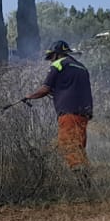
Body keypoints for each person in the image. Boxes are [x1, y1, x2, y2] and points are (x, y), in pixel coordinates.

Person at [22, 40, 92, 170]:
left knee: (68, 145)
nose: (50, 60)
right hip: (84, 113)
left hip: (68, 112)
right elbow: (71, 87)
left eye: (51, 57)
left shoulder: (58, 64)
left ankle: (80, 177)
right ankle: (87, 178)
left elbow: (45, 89)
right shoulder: (81, 67)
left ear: (57, 54)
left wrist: (29, 96)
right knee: (78, 146)